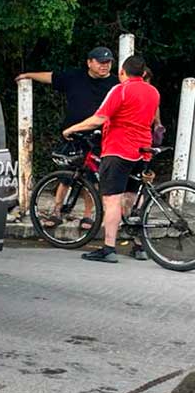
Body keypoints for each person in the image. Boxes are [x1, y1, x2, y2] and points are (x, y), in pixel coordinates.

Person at [62, 55, 160, 263]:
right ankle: (140, 246)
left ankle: (108, 248)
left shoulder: (120, 90)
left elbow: (99, 118)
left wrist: (73, 128)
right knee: (133, 197)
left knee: (112, 199)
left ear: (122, 72)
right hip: (144, 149)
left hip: (119, 149)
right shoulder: (153, 92)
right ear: (143, 73)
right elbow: (150, 119)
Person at [16, 47, 119, 230]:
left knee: (90, 177)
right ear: (89, 62)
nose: (105, 66)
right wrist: (28, 75)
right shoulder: (75, 77)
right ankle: (57, 211)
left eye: (108, 62)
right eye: (101, 62)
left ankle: (88, 215)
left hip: (100, 136)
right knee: (66, 174)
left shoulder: (115, 83)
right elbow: (51, 77)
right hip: (73, 134)